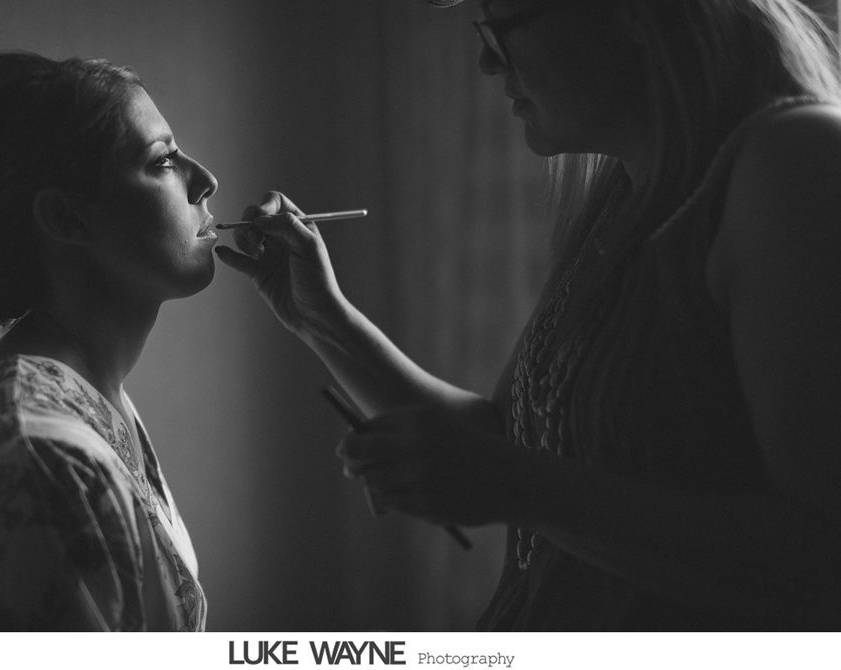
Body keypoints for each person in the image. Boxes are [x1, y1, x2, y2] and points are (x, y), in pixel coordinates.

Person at [216, 0, 841, 629]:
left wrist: (524, 489)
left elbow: (817, 557)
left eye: (504, 28)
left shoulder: (795, 162)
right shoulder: (627, 191)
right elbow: (512, 442)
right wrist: (320, 315)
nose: (489, 61)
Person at [0, 51, 218, 630]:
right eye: (164, 160)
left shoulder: (91, 393)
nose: (205, 180)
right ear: (67, 219)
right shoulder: (35, 453)